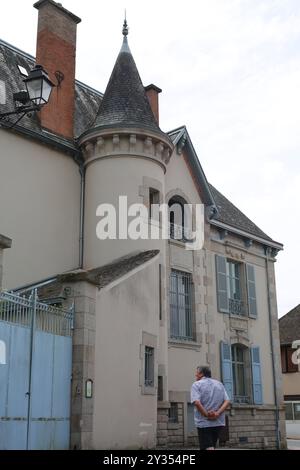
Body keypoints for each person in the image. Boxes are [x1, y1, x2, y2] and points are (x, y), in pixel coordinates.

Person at [191, 365, 230, 450]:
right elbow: (227, 401)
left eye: (197, 373)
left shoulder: (196, 385)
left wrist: (206, 415)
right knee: (211, 445)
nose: (195, 375)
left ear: (201, 374)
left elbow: (197, 402)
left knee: (208, 447)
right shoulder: (219, 384)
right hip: (218, 422)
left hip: (204, 423)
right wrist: (217, 413)